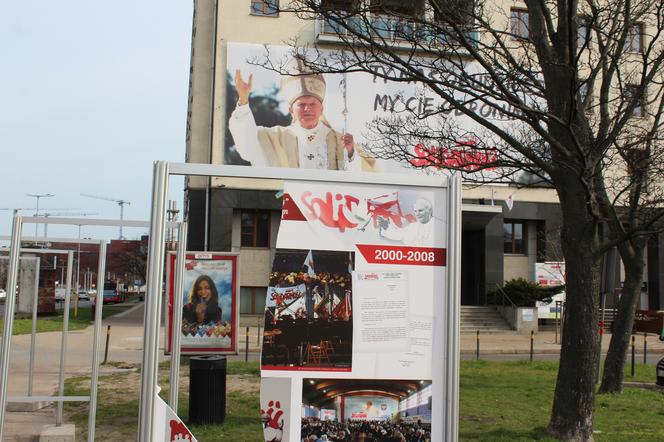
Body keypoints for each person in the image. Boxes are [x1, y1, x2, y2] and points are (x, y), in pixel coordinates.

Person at [229, 57, 377, 171]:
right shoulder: (276, 137)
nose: (307, 109)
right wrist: (243, 99)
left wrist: (351, 152)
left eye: (312, 104)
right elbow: (247, 146)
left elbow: (363, 175)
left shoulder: (340, 140)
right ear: (291, 110)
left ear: (321, 109)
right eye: (302, 105)